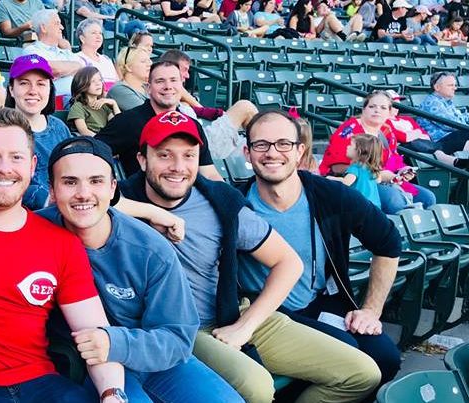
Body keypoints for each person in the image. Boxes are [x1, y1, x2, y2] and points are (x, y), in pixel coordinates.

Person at [119, 110, 382, 403]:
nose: (178, 167)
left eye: (189, 155)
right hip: (180, 329)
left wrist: (245, 327)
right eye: (164, 155)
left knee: (362, 373)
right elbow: (79, 201)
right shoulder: (120, 201)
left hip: (233, 313)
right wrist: (150, 212)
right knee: (256, 386)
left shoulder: (220, 201)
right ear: (143, 160)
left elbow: (288, 262)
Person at [0, 107, 127, 402]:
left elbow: (95, 333)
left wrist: (113, 393)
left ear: (32, 164)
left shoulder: (60, 242)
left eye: (16, 157)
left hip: (43, 385)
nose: (4, 168)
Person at [40, 136, 244, 403]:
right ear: (52, 190)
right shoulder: (34, 232)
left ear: (113, 188)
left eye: (96, 181)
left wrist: (116, 343)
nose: (83, 193)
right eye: (69, 182)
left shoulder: (150, 250)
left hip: (149, 354)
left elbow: (177, 337)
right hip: (79, 359)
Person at [239, 110, 404, 392]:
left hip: (320, 303)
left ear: (300, 150)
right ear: (247, 152)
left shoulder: (329, 194)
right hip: (265, 313)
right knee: (348, 353)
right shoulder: (233, 202)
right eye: (261, 145)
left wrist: (371, 310)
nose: (272, 153)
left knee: (385, 358)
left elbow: (388, 242)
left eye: (283, 144)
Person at [96, 60, 229, 181]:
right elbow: (90, 150)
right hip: (145, 202)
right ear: (148, 88)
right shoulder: (128, 121)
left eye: (173, 80)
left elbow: (209, 173)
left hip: (188, 199)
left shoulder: (192, 125)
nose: (168, 86)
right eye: (160, 81)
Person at [319, 91, 438, 212]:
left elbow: (394, 161)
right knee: (394, 199)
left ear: (389, 112)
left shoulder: (387, 130)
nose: (377, 110)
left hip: (382, 180)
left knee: (427, 197)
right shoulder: (349, 129)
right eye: (372, 106)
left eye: (383, 108)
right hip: (357, 181)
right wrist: (376, 173)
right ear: (364, 109)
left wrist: (401, 172)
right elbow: (336, 168)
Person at [3, 55, 72, 210]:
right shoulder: (0, 130)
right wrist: (49, 200)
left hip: (66, 208)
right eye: (24, 83)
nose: (33, 91)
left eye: (41, 84)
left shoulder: (59, 128)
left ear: (50, 89)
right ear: (11, 90)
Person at [416, 71, 469, 175]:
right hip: (440, 143)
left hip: (451, 138)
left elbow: (459, 118)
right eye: (450, 85)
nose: (455, 88)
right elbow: (451, 124)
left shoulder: (447, 102)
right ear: (437, 87)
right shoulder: (432, 102)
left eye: (455, 85)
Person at [23, 10, 83, 100]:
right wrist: (73, 67)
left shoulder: (66, 52)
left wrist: (63, 70)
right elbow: (53, 69)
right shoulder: (31, 51)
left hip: (77, 99)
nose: (62, 27)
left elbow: (82, 69)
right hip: (55, 101)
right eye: (57, 23)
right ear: (43, 28)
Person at [328, 135, 384, 209]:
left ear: (359, 151)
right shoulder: (372, 168)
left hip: (360, 205)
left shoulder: (355, 167)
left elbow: (346, 182)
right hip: (375, 206)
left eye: (351, 145)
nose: (347, 147)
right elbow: (378, 180)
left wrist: (330, 178)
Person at [67, 67, 120, 136]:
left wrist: (114, 104)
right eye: (93, 81)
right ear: (82, 84)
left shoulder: (103, 105)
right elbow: (84, 131)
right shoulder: (78, 106)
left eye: (100, 80)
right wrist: (103, 140)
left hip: (107, 138)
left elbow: (118, 125)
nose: (98, 84)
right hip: (94, 141)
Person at [75, 19, 119, 91]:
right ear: (82, 38)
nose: (98, 36)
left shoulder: (106, 59)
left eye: (100, 33)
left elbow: (117, 84)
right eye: (93, 33)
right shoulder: (77, 58)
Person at [106, 45, 151, 112]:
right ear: (128, 67)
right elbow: (147, 114)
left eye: (149, 60)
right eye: (143, 61)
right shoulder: (119, 90)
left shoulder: (149, 88)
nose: (149, 64)